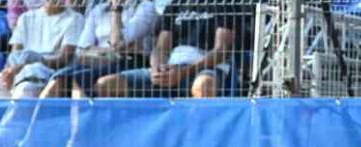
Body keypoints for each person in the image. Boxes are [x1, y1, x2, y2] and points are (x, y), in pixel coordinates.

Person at [94, 0, 254, 98]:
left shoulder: (223, 4)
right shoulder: (175, 5)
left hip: (206, 67)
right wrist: (157, 68)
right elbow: (160, 47)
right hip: (171, 67)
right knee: (105, 85)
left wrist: (183, 73)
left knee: (203, 86)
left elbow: (221, 50)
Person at [0, 0, 83, 99]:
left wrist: (26, 64)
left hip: (44, 77)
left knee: (24, 89)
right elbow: (15, 54)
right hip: (16, 74)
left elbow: (63, 59)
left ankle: (7, 133)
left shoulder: (75, 19)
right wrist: (11, 71)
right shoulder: (26, 18)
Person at [39, 0, 156, 98]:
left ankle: (78, 124)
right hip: (96, 60)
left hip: (130, 62)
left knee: (79, 79)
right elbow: (82, 49)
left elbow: (118, 42)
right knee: (59, 78)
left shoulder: (144, 7)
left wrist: (116, 10)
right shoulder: (98, 10)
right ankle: (33, 123)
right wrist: (110, 52)